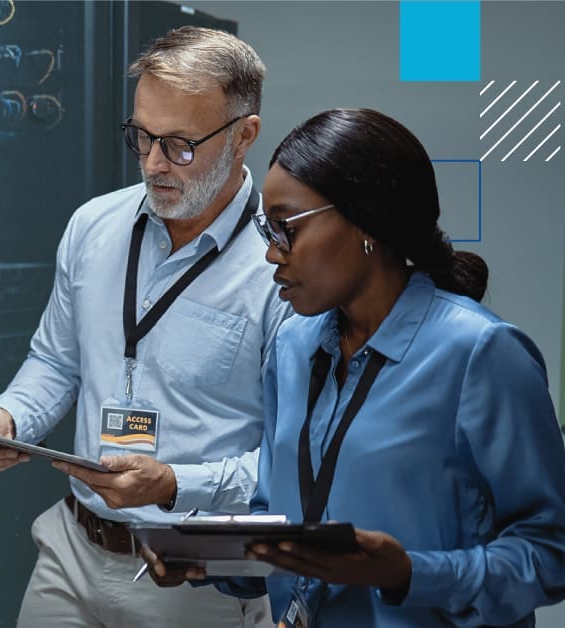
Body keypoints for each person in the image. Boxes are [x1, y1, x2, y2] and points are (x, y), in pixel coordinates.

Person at [140, 107, 565, 626]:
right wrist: (202, 557)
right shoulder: (293, 347)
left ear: (367, 222)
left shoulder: (482, 354)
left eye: (285, 228)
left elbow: (550, 554)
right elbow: (283, 527)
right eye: (264, 229)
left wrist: (407, 573)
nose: (272, 254)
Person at [0, 27, 289, 627]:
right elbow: (57, 361)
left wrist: (172, 485)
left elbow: (293, 460)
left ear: (244, 136)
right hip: (72, 551)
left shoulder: (281, 269)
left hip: (196, 579)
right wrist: (10, 418)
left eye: (181, 144)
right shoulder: (94, 225)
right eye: (142, 136)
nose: (155, 163)